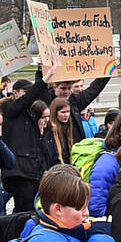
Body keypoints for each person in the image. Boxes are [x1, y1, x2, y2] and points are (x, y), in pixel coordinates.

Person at [2, 66, 58, 212]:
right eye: (25, 92)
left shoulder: (31, 114)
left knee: (34, 211)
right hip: (19, 172)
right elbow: (26, 100)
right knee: (25, 212)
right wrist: (44, 79)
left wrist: (41, 71)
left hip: (33, 171)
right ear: (15, 93)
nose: (29, 96)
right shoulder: (9, 109)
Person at [42, 74, 110, 144]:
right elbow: (38, 89)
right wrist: (40, 70)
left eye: (69, 88)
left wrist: (109, 70)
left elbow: (94, 89)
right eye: (63, 88)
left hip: (75, 147)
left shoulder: (74, 100)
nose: (66, 92)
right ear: (55, 87)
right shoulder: (47, 101)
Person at [43, 97, 74, 165]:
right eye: (63, 112)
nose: (66, 115)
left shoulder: (69, 128)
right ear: (55, 113)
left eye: (68, 112)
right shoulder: (49, 130)